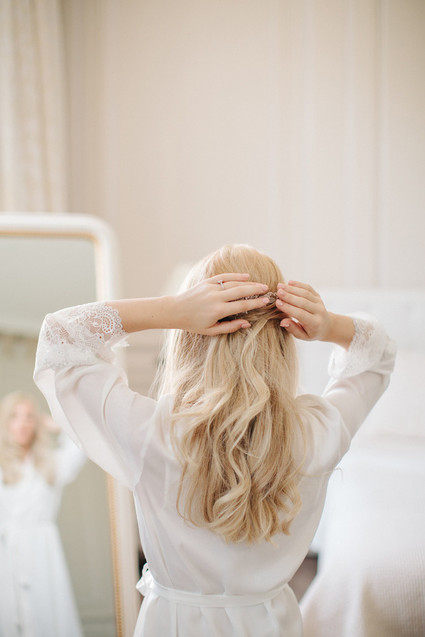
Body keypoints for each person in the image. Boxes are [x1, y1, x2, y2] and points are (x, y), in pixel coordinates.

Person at [33, 244, 396, 636]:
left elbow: (60, 336)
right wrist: (330, 326)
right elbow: (378, 353)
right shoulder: (319, 431)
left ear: (188, 337)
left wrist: (172, 310)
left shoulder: (152, 432)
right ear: (282, 334)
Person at [0, 391, 85, 637]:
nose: (23, 423)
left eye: (29, 416)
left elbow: (82, 446)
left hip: (42, 552)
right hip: (6, 553)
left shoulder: (51, 464)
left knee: (47, 615)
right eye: (15, 416)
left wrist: (61, 425)